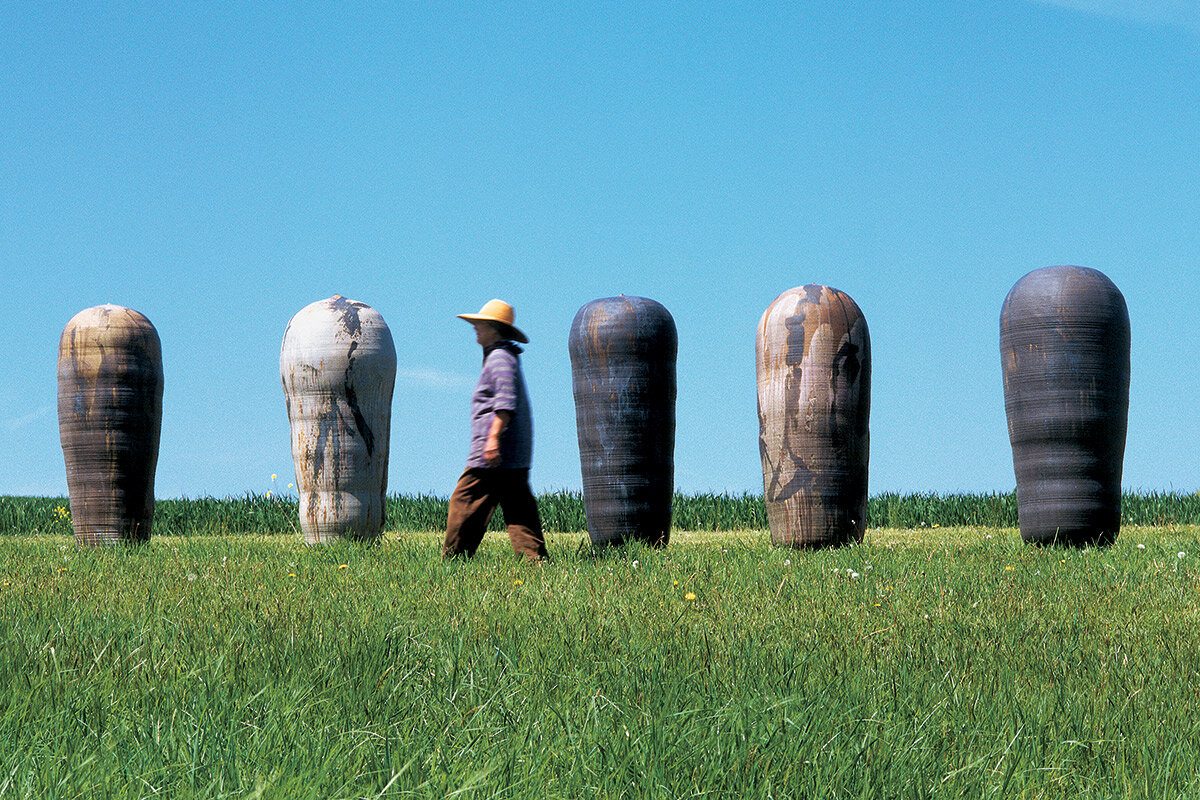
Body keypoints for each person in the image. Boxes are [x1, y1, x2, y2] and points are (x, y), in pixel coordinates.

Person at [442, 299, 548, 560]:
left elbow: (504, 403)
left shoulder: (500, 358)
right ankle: (535, 563)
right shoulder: (504, 356)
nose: (475, 328)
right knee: (519, 510)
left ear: (494, 328)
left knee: (464, 501)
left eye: (480, 324)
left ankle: (454, 561)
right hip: (513, 453)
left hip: (494, 452)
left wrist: (491, 441)